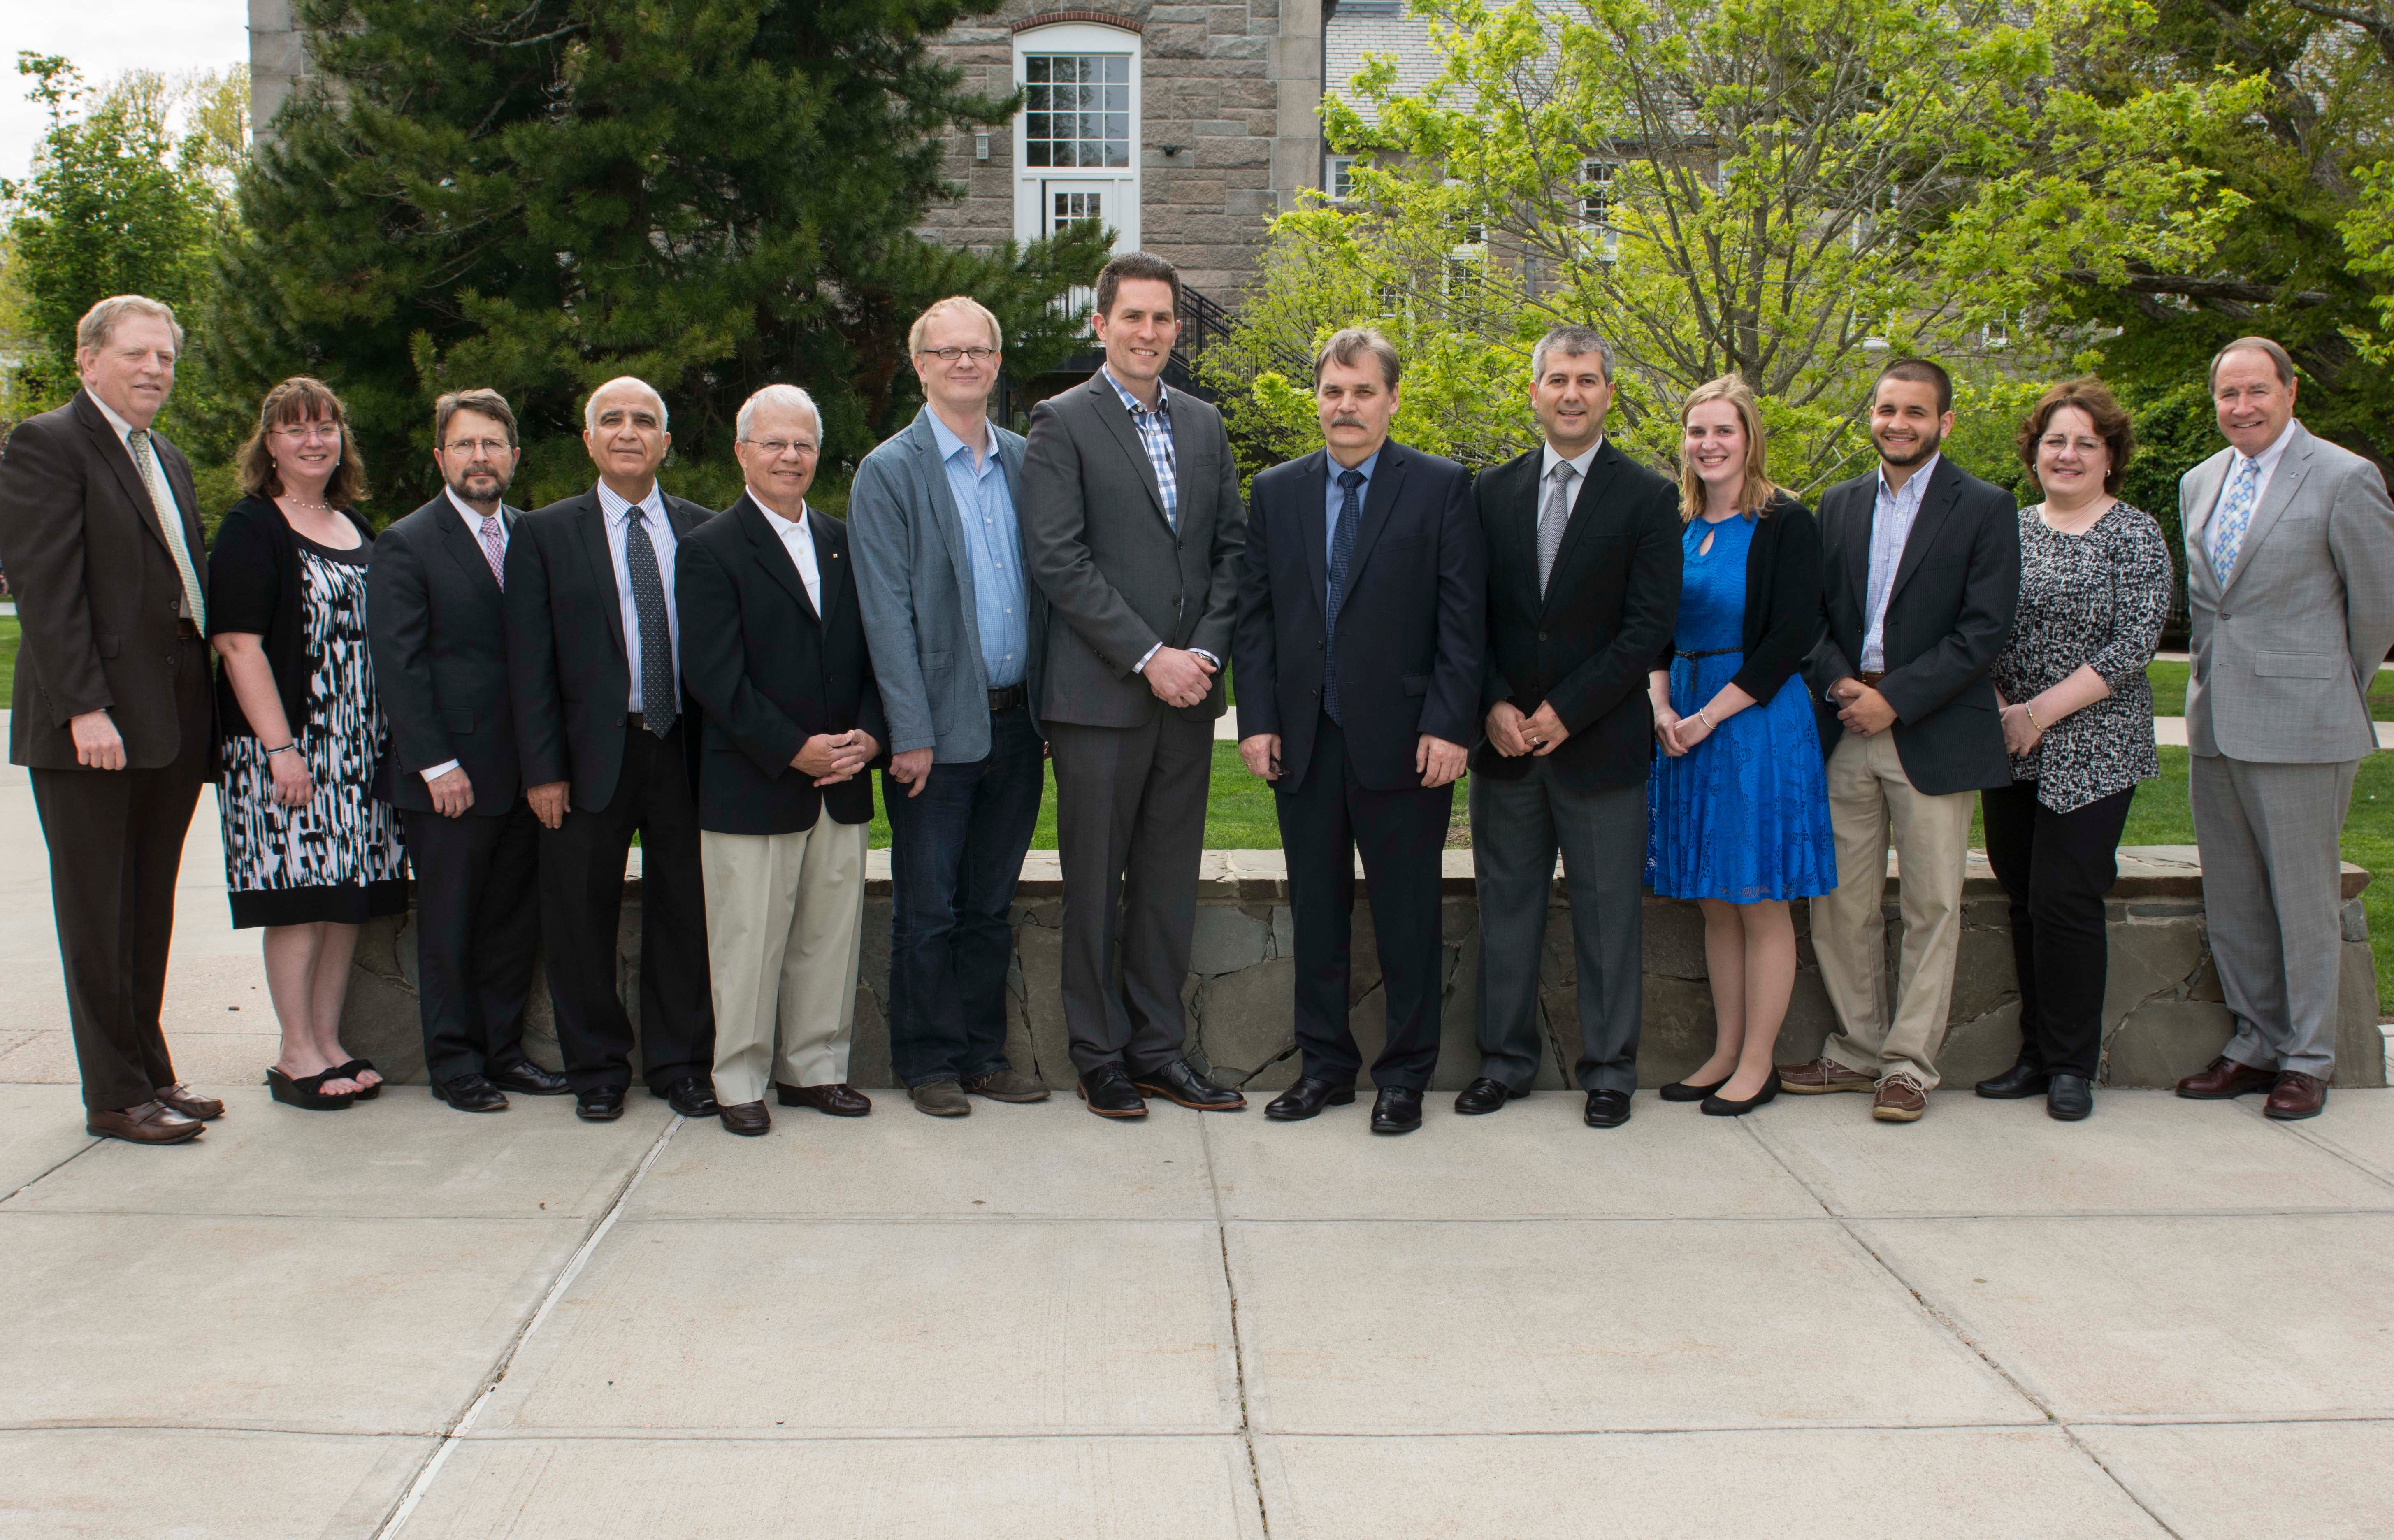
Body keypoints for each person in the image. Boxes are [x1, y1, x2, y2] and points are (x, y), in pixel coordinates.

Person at [1233, 328, 1483, 1134]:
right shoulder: (1275, 492)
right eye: (1334, 392)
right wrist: (1258, 719)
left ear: (1392, 399)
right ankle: (1326, 1069)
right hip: (1304, 740)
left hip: (1409, 742)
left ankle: (1405, 1077)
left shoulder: (1441, 488)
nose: (1347, 407)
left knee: (1408, 914)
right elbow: (1258, 619)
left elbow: (1462, 622)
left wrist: (1451, 725)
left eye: (1363, 392)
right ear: (1318, 398)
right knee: (1317, 912)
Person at [1019, 251, 1249, 1119]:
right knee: (1095, 884)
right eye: (1133, 318)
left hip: (1189, 702)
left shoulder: (1203, 424)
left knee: (1164, 886)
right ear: (1101, 326)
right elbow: (1059, 559)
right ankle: (1099, 1055)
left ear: (1176, 330)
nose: (1148, 333)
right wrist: (1152, 656)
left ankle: (1157, 1050)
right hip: (1100, 702)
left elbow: (1232, 550)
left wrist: (1205, 659)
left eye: (1162, 320)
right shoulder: (1062, 422)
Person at [0, 295, 221, 1143]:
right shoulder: (48, 445)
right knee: (98, 914)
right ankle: (114, 1095)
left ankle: (151, 1071)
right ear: (88, 360)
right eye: (135, 355)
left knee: (147, 907)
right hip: (92, 728)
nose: (154, 371)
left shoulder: (161, 452)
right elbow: (49, 593)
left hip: (167, 721)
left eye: (164, 357)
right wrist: (86, 707)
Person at [1786, 358, 2020, 1123]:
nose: (1898, 424)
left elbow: (1984, 631)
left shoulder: (1984, 507)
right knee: (1841, 904)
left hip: (1933, 731)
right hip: (1849, 724)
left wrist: (1898, 701)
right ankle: (1857, 1052)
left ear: (1944, 422)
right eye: (1887, 409)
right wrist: (1846, 687)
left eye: (1915, 412)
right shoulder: (1841, 504)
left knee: (1931, 905)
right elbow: (1813, 616)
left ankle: (1909, 1065)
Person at [1464, 325, 1681, 1130]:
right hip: (1507, 749)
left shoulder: (1650, 497)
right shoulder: (1490, 492)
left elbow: (1648, 626)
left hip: (1600, 747)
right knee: (1507, 911)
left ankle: (1609, 1071)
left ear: (1609, 394)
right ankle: (1504, 1063)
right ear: (1534, 393)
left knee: (1607, 917)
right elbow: (1469, 618)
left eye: (1587, 380)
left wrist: (1567, 710)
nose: (1572, 393)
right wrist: (1492, 704)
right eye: (1557, 379)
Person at [2174, 337, 2394, 1120]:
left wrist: (2330, 688)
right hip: (2218, 721)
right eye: (2228, 394)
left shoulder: (2344, 477)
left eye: (2257, 391)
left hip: (2305, 722)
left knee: (2303, 901)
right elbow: (2211, 609)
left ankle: (2309, 1059)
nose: (2243, 407)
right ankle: (2255, 1045)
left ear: (2291, 393)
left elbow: (2375, 611)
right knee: (2234, 898)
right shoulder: (2200, 481)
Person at [849, 296, 1053, 1116]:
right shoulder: (890, 471)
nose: (965, 362)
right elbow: (885, 615)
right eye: (948, 351)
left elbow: (1051, 593)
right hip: (935, 736)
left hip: (1019, 725)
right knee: (928, 908)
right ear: (921, 364)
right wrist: (911, 731)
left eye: (980, 349)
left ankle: (983, 1055)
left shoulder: (1026, 461)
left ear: (998, 364)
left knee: (987, 906)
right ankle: (928, 1063)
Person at [505, 377, 718, 1124]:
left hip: (686, 752)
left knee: (686, 914)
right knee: (578, 917)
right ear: (589, 440)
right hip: (587, 758)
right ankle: (597, 1068)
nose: (629, 431)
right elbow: (527, 663)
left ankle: (681, 1065)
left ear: (666, 441)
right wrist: (542, 770)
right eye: (612, 420)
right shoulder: (542, 534)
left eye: (645, 420)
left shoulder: (705, 530)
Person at [676, 386, 882, 1136]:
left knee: (828, 938)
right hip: (755, 781)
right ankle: (739, 1083)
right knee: (749, 944)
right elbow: (713, 677)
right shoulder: (709, 550)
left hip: (842, 781)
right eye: (773, 443)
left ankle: (815, 1070)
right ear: (742, 453)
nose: (789, 456)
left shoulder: (842, 539)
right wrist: (791, 749)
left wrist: (870, 735)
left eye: (801, 444)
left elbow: (870, 655)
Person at [1971, 381, 2170, 1122]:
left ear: (2111, 456)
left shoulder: (2135, 533)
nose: (2069, 454)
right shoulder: (2008, 529)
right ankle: (2032, 1054)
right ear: (2034, 453)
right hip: (2006, 740)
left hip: (2095, 742)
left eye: (2087, 442)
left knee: (2068, 901)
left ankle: (2071, 1066)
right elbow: (1975, 624)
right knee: (2023, 898)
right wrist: (2002, 711)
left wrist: (2039, 713)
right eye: (2056, 440)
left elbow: (2134, 641)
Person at [367, 388, 570, 1113]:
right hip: (450, 775)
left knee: (515, 922)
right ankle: (454, 1064)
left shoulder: (534, 534)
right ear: (441, 457)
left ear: (515, 456)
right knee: (451, 924)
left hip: (528, 775)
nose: (479, 457)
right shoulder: (407, 542)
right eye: (464, 444)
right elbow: (399, 663)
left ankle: (504, 1052)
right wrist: (434, 763)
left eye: (492, 444)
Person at [207, 377, 408, 1110]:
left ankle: (327, 1040)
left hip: (359, 755)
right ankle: (295, 1053)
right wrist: (280, 749)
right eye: (295, 430)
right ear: (270, 444)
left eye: (325, 426)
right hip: (288, 753)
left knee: (342, 901)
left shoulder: (357, 526)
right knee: (297, 899)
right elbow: (237, 642)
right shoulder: (252, 526)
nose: (314, 440)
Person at [1644, 375, 1836, 1117]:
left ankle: (1759, 1064)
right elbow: (1653, 626)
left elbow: (1789, 638)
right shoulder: (1676, 522)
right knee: (1714, 903)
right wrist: (1662, 705)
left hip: (1752, 723)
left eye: (1724, 431)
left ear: (1750, 437)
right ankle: (1724, 1051)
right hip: (1682, 718)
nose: (1709, 444)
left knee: (1759, 901)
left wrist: (1706, 718)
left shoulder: (1787, 522)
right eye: (1697, 432)